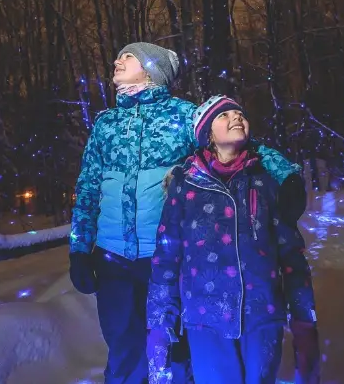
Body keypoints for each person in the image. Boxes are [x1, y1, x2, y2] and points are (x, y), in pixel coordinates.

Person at [69, 44, 302, 384]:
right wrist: (79, 249)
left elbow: (239, 144)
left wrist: (286, 175)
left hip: (168, 257)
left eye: (128, 56)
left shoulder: (182, 116)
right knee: (123, 349)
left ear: (152, 68)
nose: (117, 61)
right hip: (112, 258)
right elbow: (88, 185)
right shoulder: (106, 124)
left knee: (175, 351)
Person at [146, 96, 320, 384]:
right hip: (204, 319)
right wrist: (159, 325)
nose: (236, 117)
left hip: (262, 315)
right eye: (224, 115)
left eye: (240, 113)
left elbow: (290, 253)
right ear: (207, 134)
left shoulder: (264, 180)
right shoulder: (185, 184)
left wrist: (304, 320)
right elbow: (167, 256)